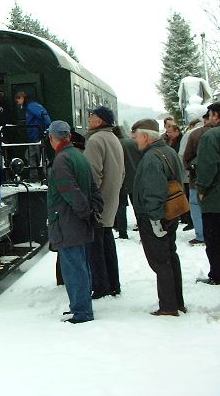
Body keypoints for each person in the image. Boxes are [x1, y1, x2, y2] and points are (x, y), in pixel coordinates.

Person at [46, 120, 103, 324]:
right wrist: (94, 210)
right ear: (68, 136)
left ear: (52, 138)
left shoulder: (61, 160)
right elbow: (92, 188)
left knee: (73, 268)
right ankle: (80, 307)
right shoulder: (78, 156)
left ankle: (81, 311)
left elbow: (70, 191)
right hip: (78, 221)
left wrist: (85, 212)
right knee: (80, 265)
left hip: (67, 222)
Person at [131, 118, 185, 316]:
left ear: (145, 136)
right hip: (171, 212)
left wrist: (154, 220)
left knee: (160, 261)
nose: (136, 141)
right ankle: (176, 301)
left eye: (137, 137)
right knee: (170, 257)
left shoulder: (151, 158)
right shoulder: (168, 151)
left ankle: (169, 306)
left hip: (155, 216)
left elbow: (154, 192)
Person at [84, 106, 125, 299]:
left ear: (99, 121)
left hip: (98, 201)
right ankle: (113, 283)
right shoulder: (113, 138)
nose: (89, 118)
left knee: (95, 247)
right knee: (107, 243)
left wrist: (90, 199)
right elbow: (122, 172)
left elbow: (92, 174)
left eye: (92, 116)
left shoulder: (95, 140)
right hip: (111, 198)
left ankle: (100, 286)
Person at [195, 102, 220, 285]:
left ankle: (218, 274)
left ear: (216, 115)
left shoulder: (211, 136)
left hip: (216, 197)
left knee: (215, 240)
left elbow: (207, 165)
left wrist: (202, 188)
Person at [182, 112, 211, 245]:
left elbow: (186, 156)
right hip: (216, 182)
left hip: (196, 179)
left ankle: (200, 235)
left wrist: (189, 167)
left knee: (196, 207)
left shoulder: (195, 134)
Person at [113, 125, 142, 239]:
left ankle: (122, 232)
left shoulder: (116, 144)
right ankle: (142, 228)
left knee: (121, 207)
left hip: (121, 179)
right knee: (138, 206)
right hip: (135, 177)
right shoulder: (133, 142)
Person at [15, 91, 51, 179]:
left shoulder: (31, 106)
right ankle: (42, 175)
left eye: (17, 101)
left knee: (33, 156)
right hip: (35, 136)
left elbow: (43, 114)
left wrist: (48, 127)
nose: (17, 103)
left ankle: (37, 176)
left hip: (36, 136)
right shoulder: (31, 106)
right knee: (36, 156)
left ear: (22, 98)